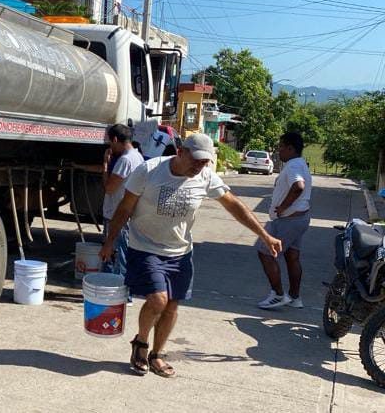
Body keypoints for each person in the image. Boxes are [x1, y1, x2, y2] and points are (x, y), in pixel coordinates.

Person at [100, 133, 282, 378]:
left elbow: (234, 206)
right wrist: (110, 242)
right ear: (180, 152)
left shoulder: (205, 176)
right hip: (145, 247)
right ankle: (141, 344)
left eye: (204, 162)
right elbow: (124, 207)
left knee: (172, 305)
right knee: (158, 300)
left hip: (180, 251)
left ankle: (157, 354)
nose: (199, 166)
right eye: (195, 160)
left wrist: (264, 234)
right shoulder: (149, 170)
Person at [256, 132, 312, 309]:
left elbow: (298, 186)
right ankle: (295, 298)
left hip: (288, 220)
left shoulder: (293, 166)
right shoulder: (300, 164)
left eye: (281, 146)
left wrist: (283, 208)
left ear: (290, 148)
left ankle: (278, 295)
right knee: (292, 256)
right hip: (300, 218)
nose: (278, 150)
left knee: (264, 251)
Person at [102, 124, 144, 276]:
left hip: (116, 214)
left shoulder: (125, 160)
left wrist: (106, 164)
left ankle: (119, 294)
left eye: (110, 143)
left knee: (114, 256)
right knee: (121, 256)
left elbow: (109, 188)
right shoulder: (138, 156)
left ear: (115, 139)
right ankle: (118, 293)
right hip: (127, 214)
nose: (110, 147)